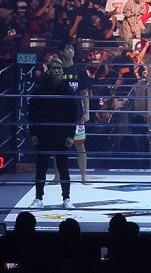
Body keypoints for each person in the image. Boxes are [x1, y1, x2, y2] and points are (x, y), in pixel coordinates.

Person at [28, 57, 81, 209]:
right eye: (53, 68)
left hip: (62, 134)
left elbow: (73, 114)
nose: (56, 70)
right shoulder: (39, 89)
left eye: (59, 68)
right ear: (48, 70)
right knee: (42, 167)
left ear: (62, 71)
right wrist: (33, 132)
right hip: (44, 133)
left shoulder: (68, 90)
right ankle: (38, 198)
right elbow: (32, 112)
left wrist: (71, 135)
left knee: (63, 167)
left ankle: (66, 198)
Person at [58, 41, 92, 184]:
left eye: (72, 48)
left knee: (80, 145)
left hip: (76, 113)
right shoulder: (57, 70)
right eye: (67, 48)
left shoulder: (79, 70)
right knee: (58, 145)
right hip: (59, 113)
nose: (70, 51)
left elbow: (85, 92)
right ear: (61, 51)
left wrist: (87, 111)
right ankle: (57, 176)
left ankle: (84, 176)